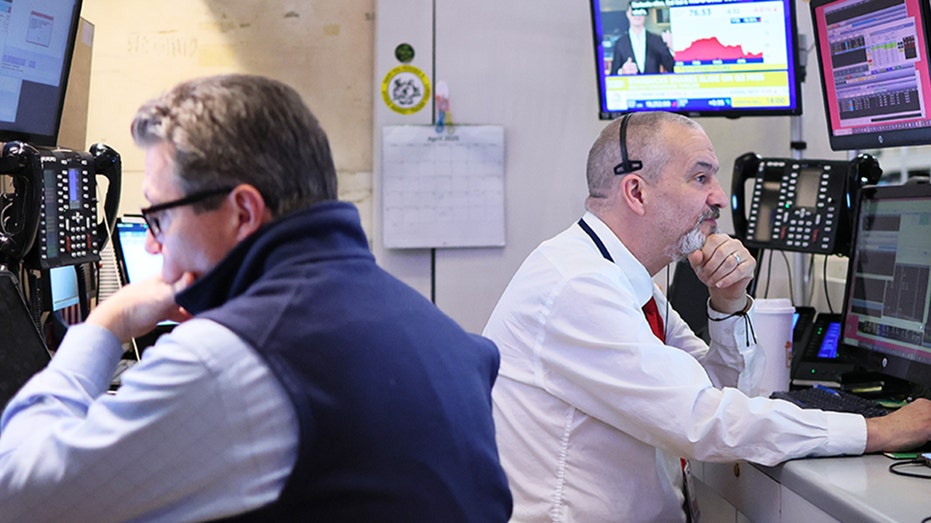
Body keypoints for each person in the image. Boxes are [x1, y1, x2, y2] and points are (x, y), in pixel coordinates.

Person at [0, 74, 512, 522]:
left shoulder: (233, 355)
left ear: (243, 212)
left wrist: (104, 327)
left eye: (159, 216)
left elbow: (18, 495)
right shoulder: (433, 328)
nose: (153, 243)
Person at [484, 111, 931, 522]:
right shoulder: (578, 286)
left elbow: (721, 390)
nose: (718, 197)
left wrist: (727, 301)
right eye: (700, 178)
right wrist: (879, 431)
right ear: (636, 192)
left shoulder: (626, 280)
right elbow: (703, 421)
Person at [610, 6, 675, 75]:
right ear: (627, 14)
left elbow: (671, 68)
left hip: (653, 85)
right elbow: (613, 74)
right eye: (634, 11)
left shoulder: (657, 40)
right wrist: (622, 71)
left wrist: (671, 48)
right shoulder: (620, 43)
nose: (637, 15)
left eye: (640, 11)